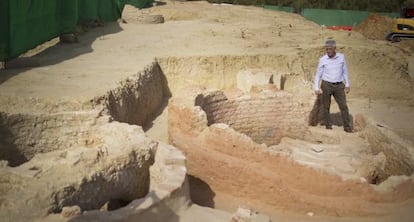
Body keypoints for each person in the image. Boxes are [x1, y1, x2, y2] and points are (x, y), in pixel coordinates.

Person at [314, 39, 352, 133]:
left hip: (339, 85)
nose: (328, 51)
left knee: (343, 106)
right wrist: (316, 87)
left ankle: (347, 127)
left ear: (335, 48)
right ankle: (328, 125)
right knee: (326, 106)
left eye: (330, 49)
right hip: (326, 85)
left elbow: (345, 72)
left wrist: (347, 84)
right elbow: (318, 74)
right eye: (327, 49)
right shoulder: (323, 60)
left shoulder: (341, 57)